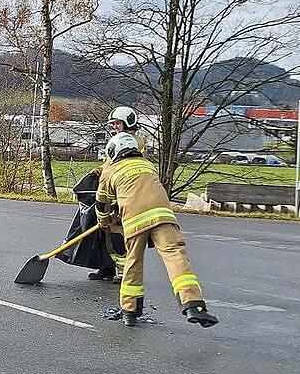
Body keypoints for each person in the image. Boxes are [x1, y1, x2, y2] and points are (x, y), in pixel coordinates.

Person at [96, 133, 218, 328]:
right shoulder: (148, 165)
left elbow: (102, 201)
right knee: (176, 258)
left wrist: (104, 220)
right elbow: (143, 188)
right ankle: (194, 304)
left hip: (135, 220)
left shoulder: (110, 170)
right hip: (163, 216)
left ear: (113, 152)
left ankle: (130, 310)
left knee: (133, 262)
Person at [88, 106, 147, 282]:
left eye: (117, 123)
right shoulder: (118, 140)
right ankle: (106, 267)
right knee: (104, 234)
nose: (114, 127)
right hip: (111, 192)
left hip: (123, 196)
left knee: (117, 236)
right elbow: (110, 164)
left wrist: (116, 204)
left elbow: (126, 167)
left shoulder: (134, 142)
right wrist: (99, 171)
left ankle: (124, 273)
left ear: (128, 122)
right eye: (113, 124)